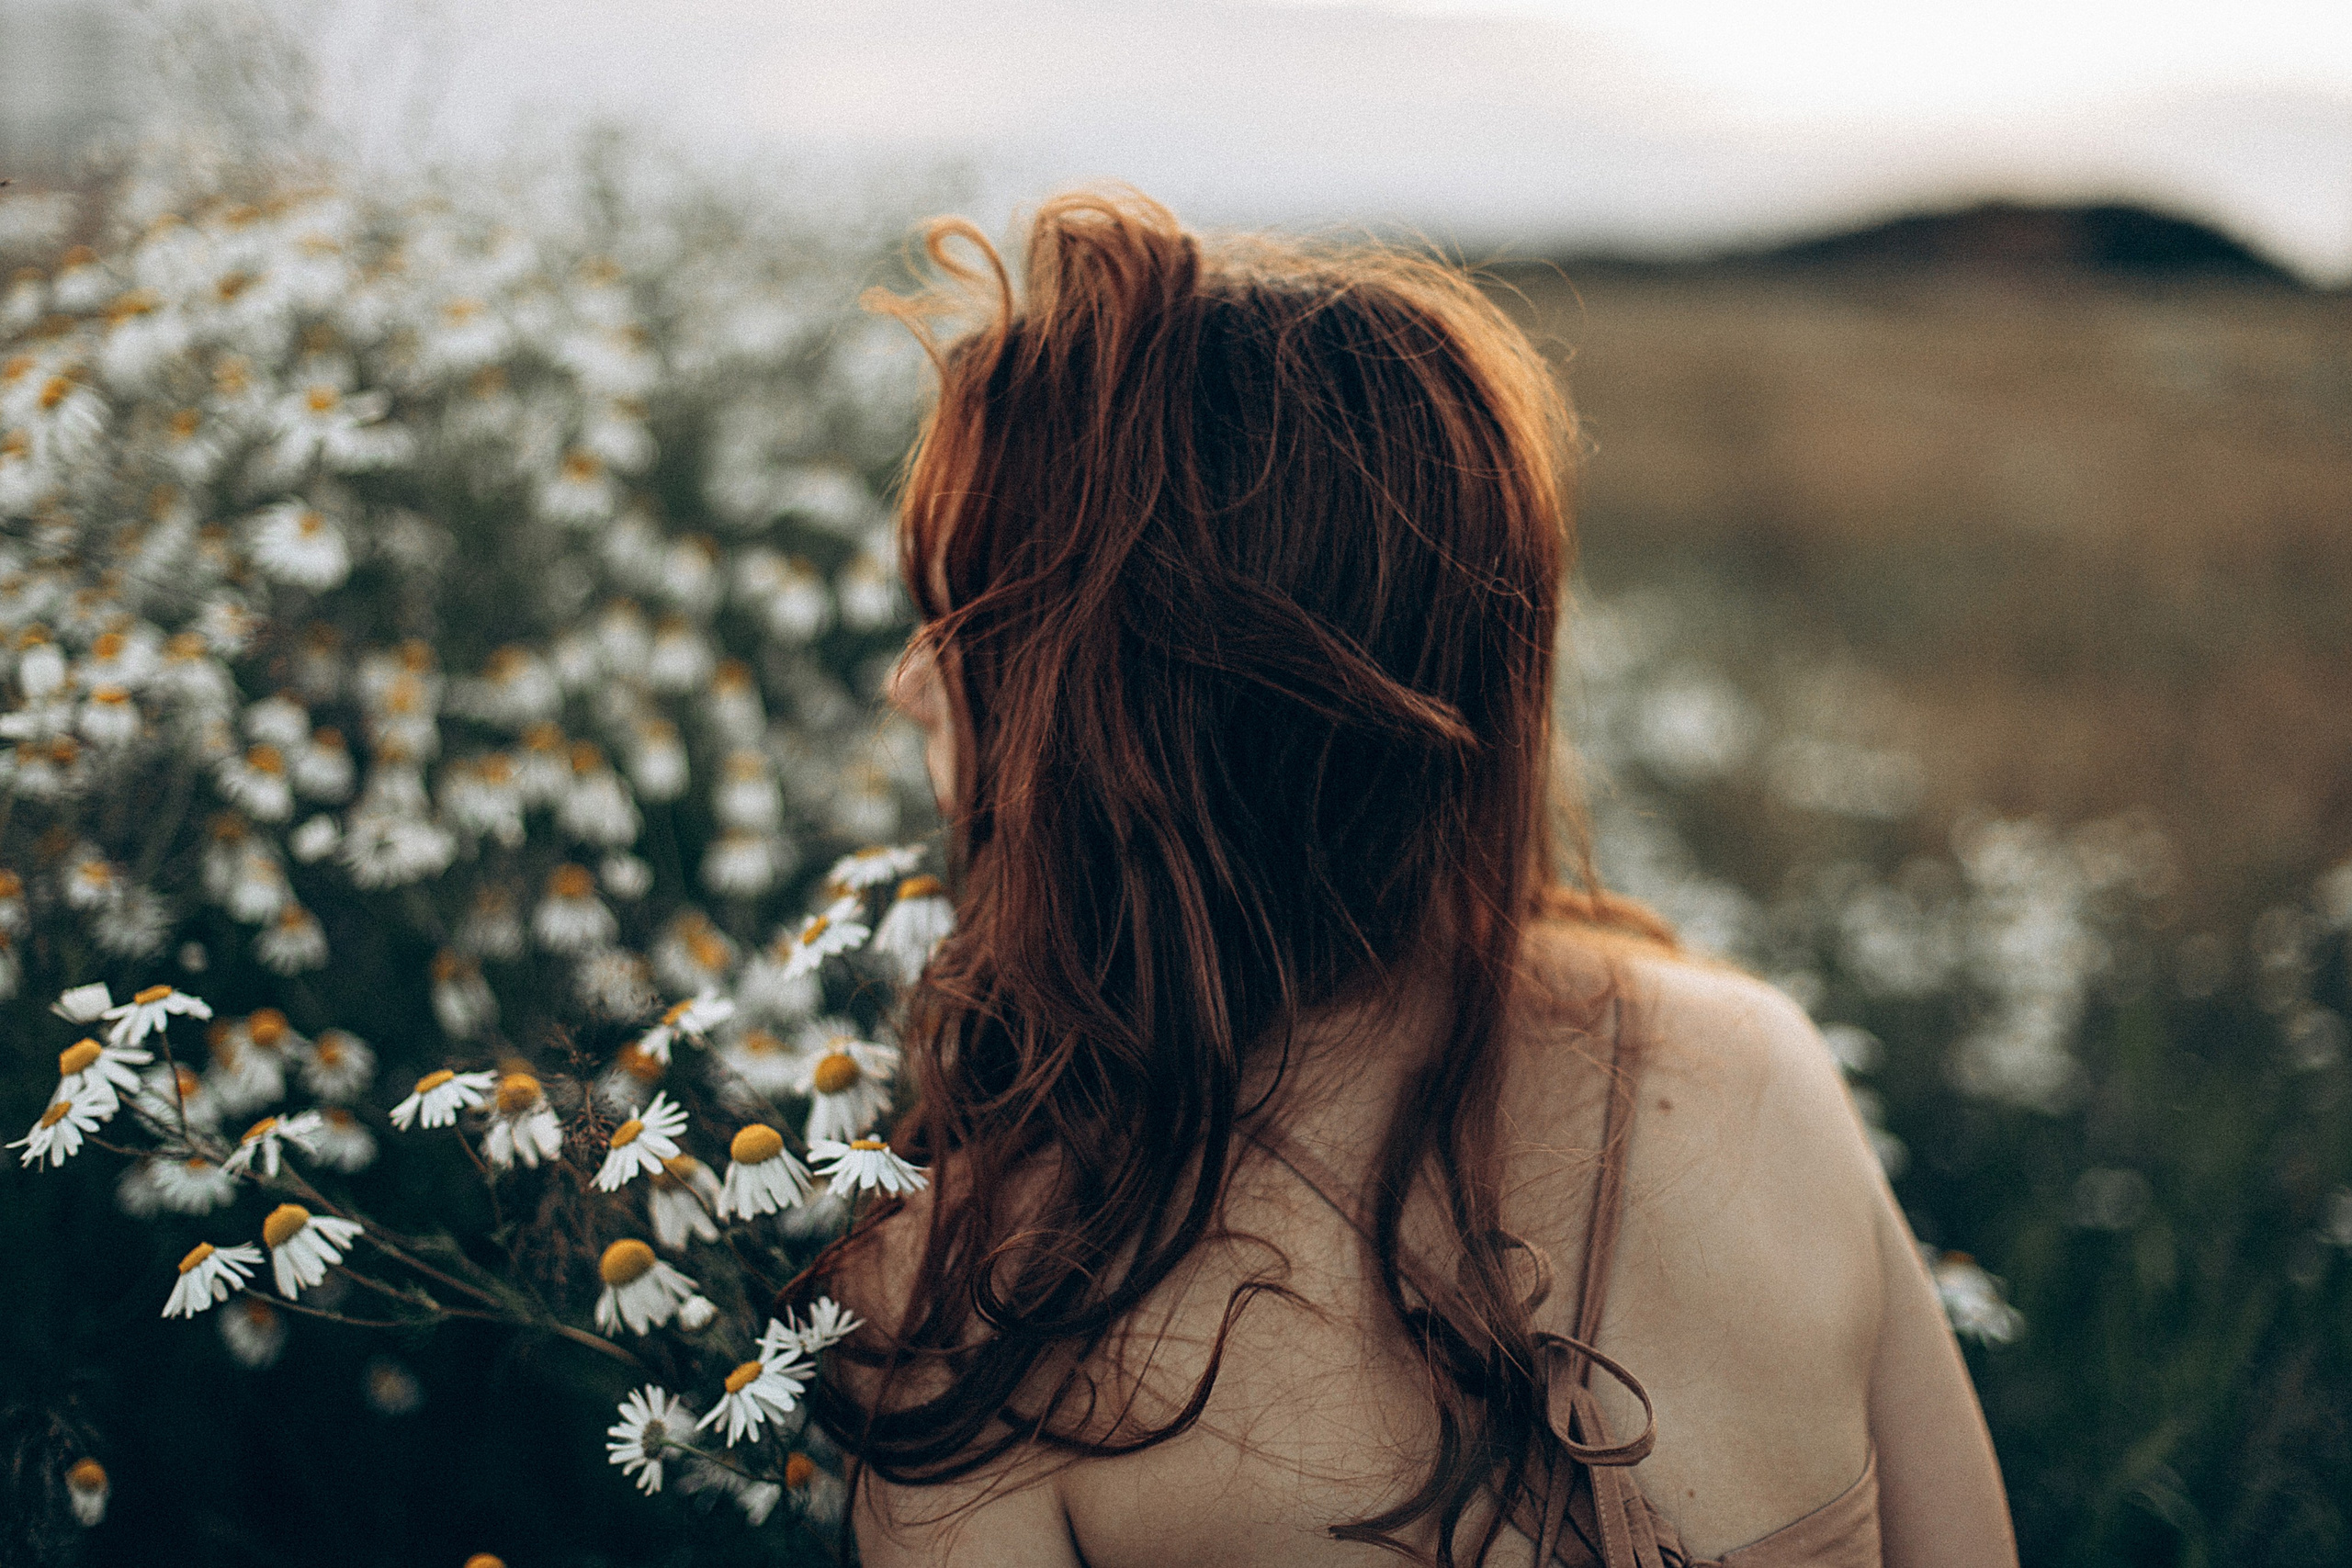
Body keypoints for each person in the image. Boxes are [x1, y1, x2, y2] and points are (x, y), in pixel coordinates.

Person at [806, 187, 2017, 1567]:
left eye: (968, 615)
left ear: (1120, 707)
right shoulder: (1758, 1067)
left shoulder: (977, 1323)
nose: (912, 680)